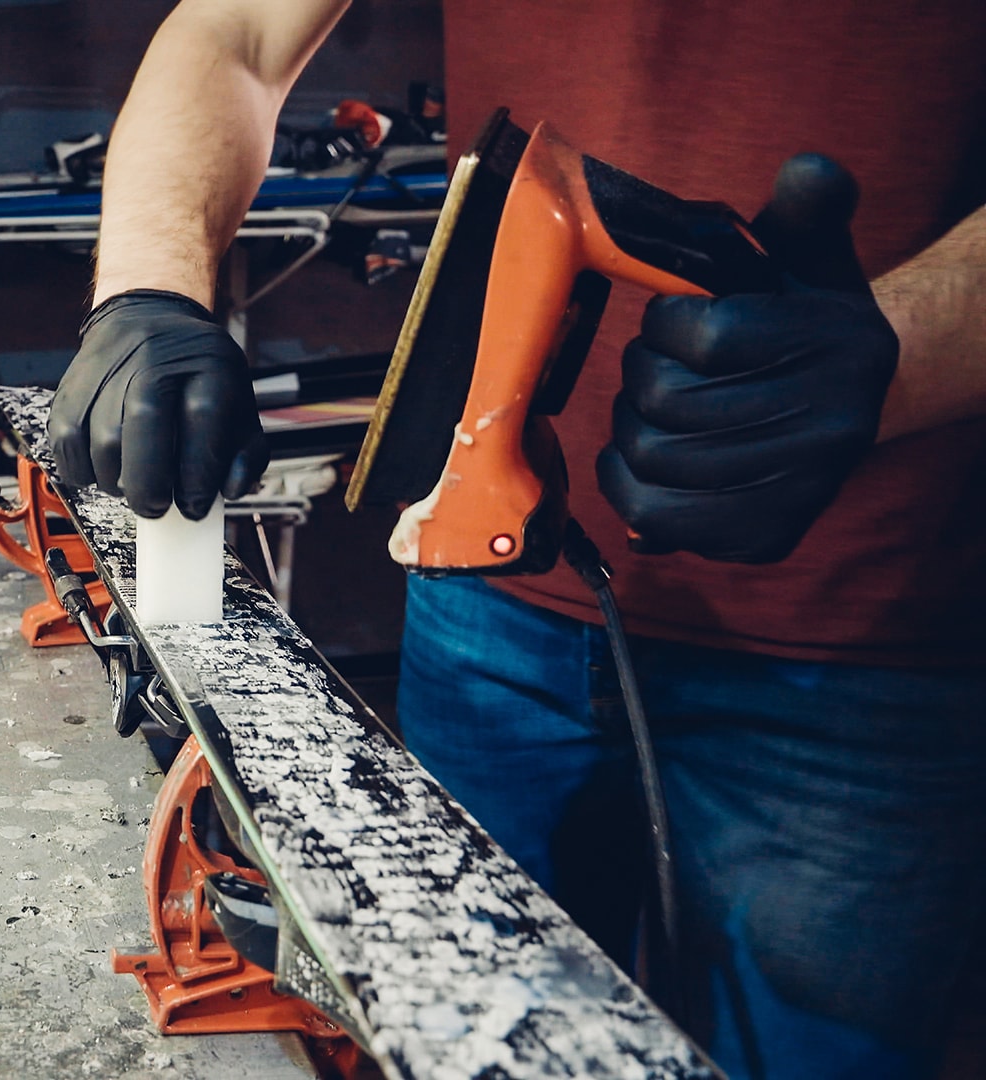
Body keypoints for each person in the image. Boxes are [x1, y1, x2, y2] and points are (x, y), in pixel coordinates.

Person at [49, 3, 986, 1078]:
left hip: (864, 639)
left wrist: (892, 355)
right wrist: (148, 290)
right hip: (487, 598)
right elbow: (240, 31)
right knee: (456, 1046)